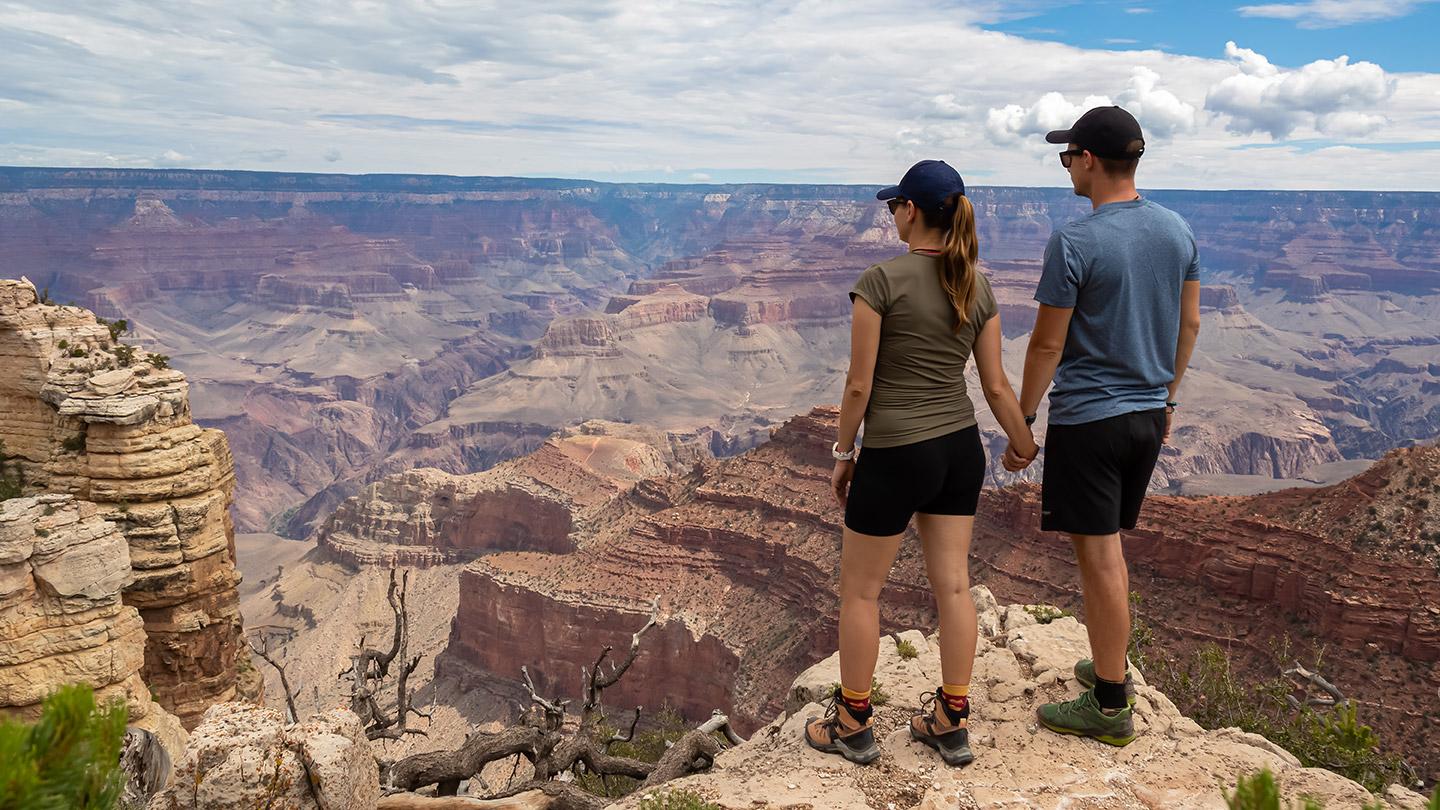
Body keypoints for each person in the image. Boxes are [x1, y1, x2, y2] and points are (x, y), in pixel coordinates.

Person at [805, 160, 1038, 767]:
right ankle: (949, 722)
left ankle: (853, 722)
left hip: (897, 450)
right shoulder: (975, 284)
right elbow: (995, 387)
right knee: (954, 586)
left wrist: (842, 453)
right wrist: (1022, 444)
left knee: (859, 591)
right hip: (959, 450)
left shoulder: (880, 280)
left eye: (894, 207)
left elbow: (859, 385)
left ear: (911, 211)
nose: (891, 216)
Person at [1004, 106, 1201, 746]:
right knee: (1105, 547)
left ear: (1089, 159)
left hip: (1091, 420)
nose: (1065, 165)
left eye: (1067, 155)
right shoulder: (1177, 231)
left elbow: (1044, 346)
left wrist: (1023, 419)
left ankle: (1111, 703)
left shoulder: (1076, 241)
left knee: (1099, 558)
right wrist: (1166, 402)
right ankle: (1107, 661)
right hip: (1147, 416)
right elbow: (1189, 326)